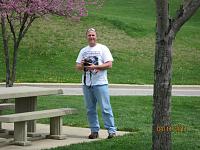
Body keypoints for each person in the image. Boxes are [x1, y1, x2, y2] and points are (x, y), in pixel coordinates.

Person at [76, 28, 116, 139]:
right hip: (87, 84)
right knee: (90, 109)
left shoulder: (103, 48)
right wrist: (84, 65)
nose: (91, 37)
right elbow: (78, 66)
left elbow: (109, 64)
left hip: (100, 83)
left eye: (93, 35)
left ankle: (111, 131)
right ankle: (94, 131)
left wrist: (96, 67)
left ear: (96, 36)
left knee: (105, 108)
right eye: (89, 35)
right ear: (86, 37)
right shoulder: (83, 50)